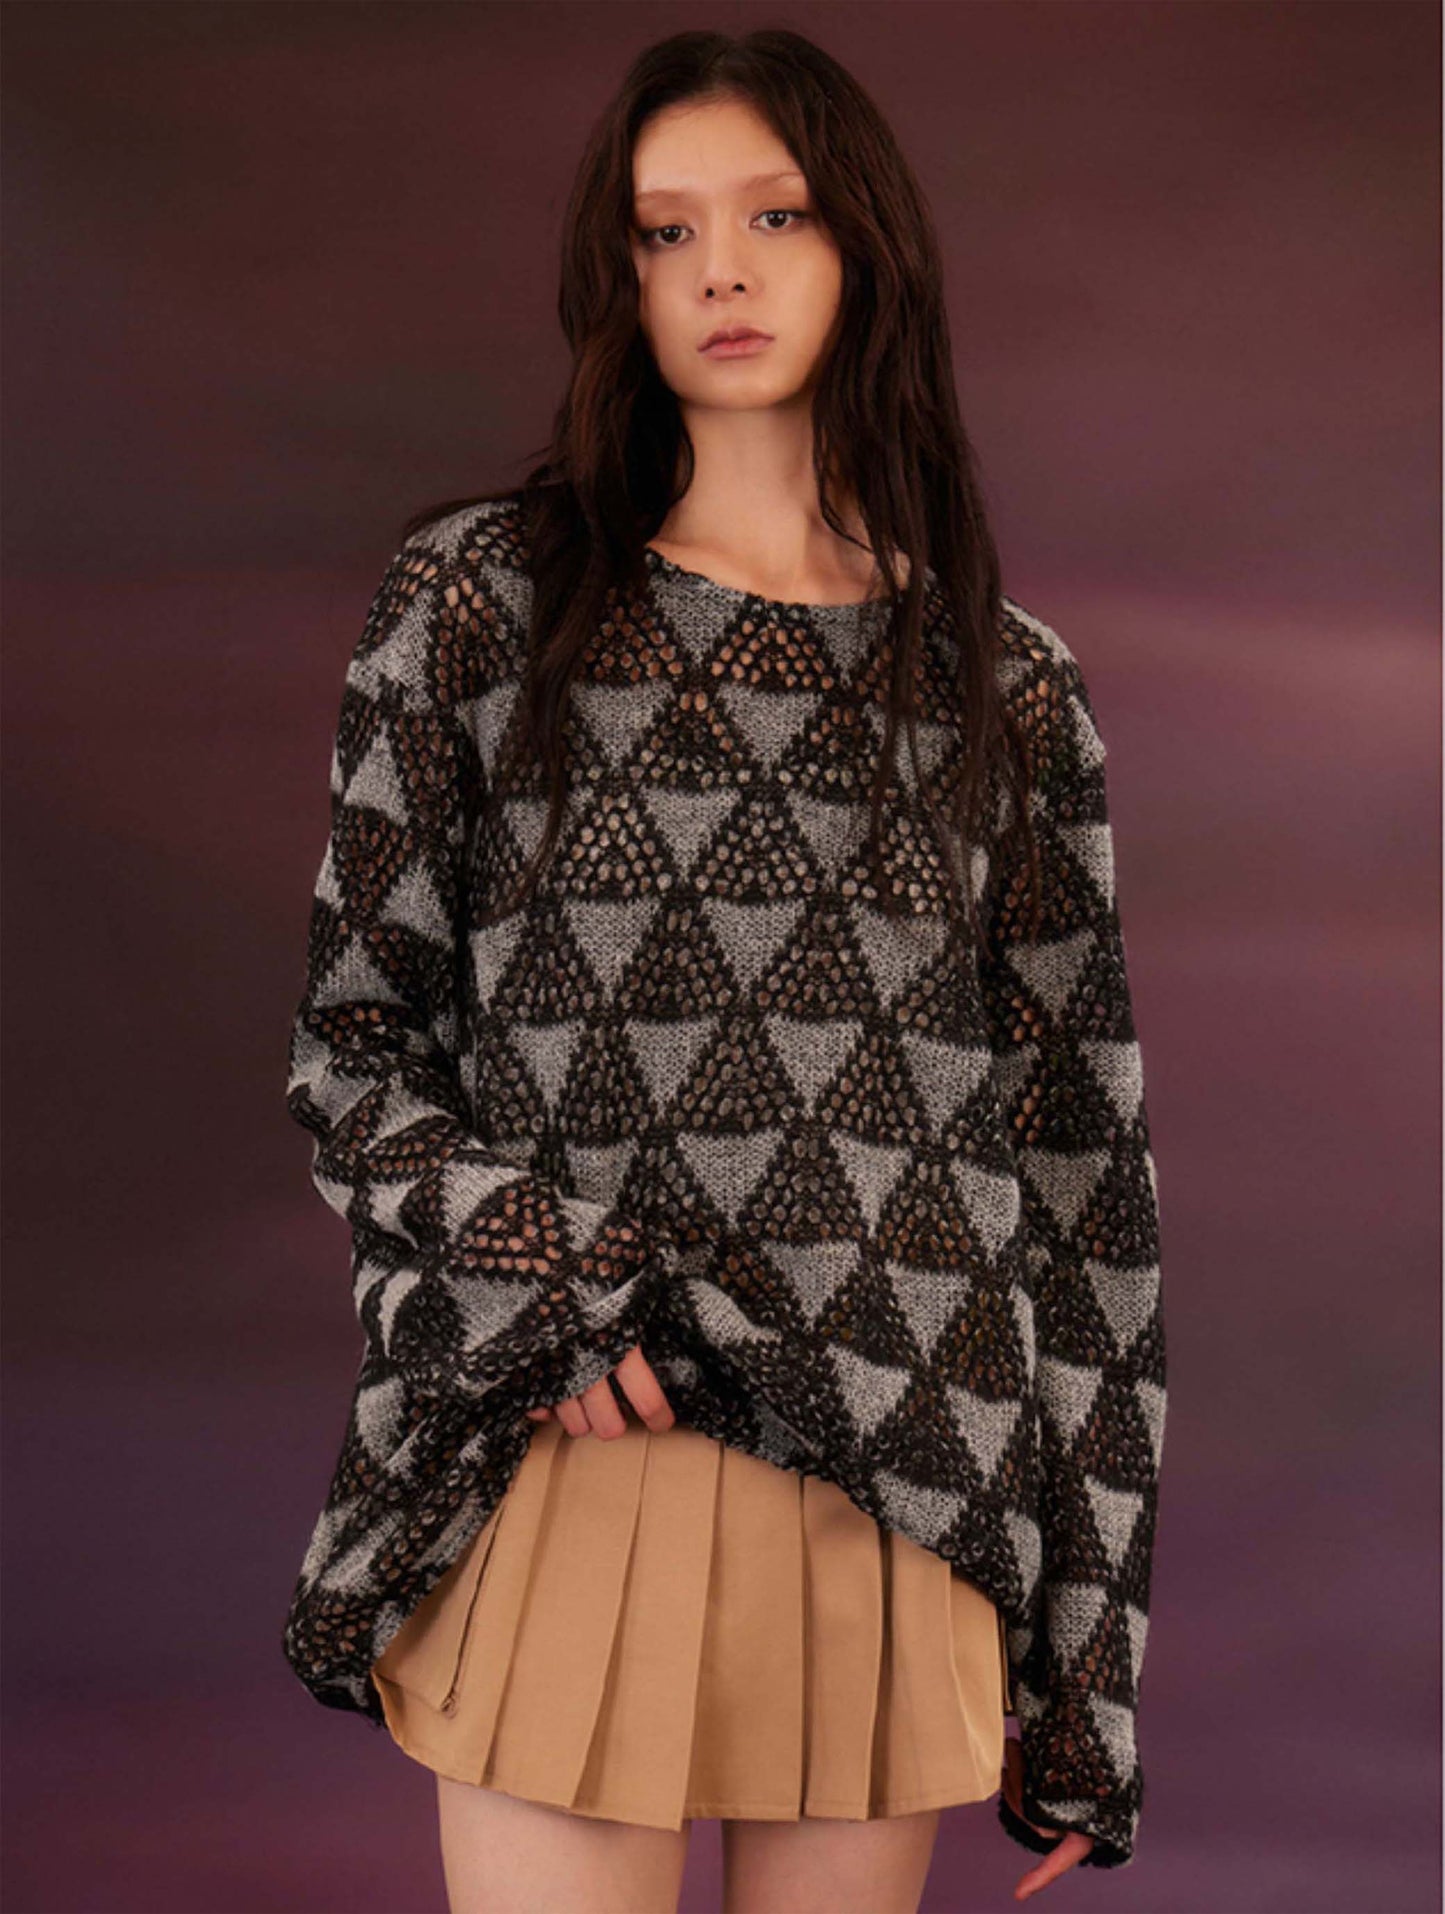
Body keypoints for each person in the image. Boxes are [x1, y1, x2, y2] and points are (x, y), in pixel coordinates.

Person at [279, 27, 1167, 1914]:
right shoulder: (478, 605)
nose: (721, 273)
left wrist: (1088, 1661)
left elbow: (1079, 1185)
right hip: (581, 1434)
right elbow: (354, 1047)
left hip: (905, 1481)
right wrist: (543, 1274)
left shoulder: (1004, 687)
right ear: (617, 275)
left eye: (775, 216)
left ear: (867, 249)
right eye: (665, 231)